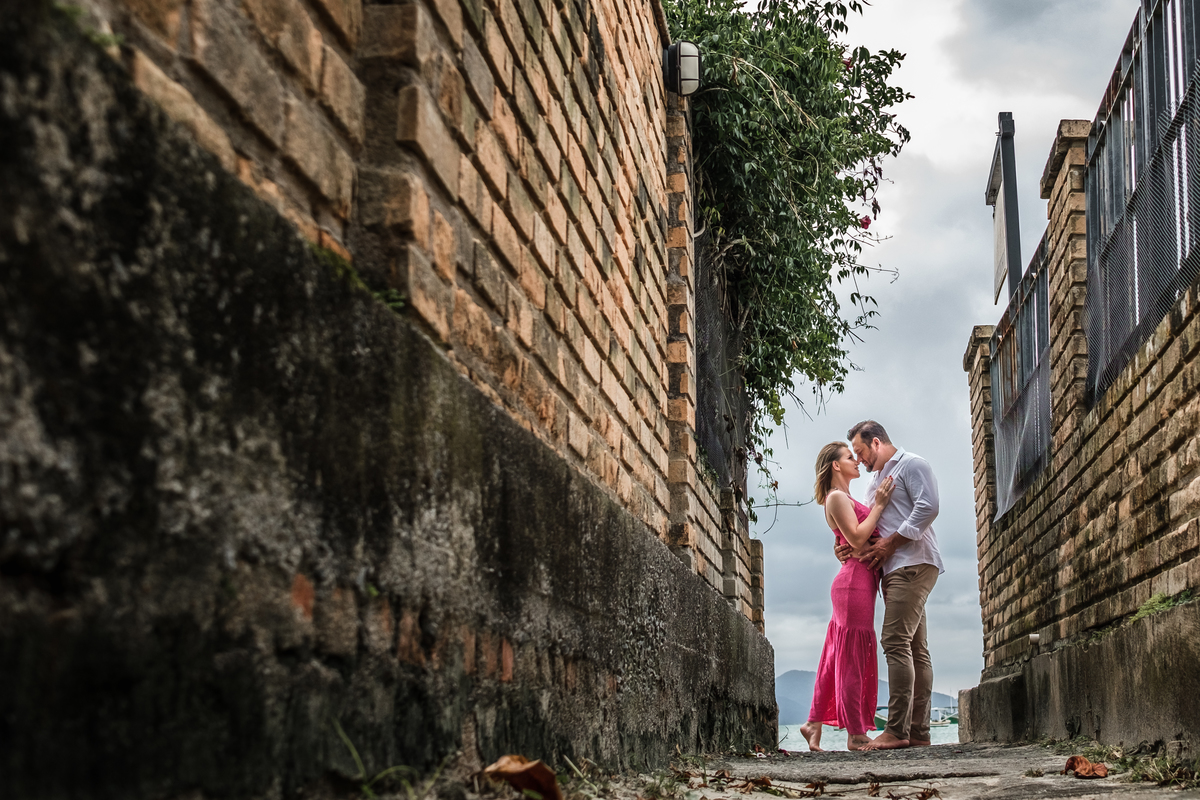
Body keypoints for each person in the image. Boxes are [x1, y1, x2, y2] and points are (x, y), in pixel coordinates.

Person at [840, 420, 944, 751]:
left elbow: (929, 507)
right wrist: (848, 546)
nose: (859, 460)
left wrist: (890, 545)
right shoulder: (874, 481)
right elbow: (874, 526)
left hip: (912, 562)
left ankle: (897, 730)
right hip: (896, 568)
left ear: (876, 442)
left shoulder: (912, 464)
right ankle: (918, 733)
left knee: (894, 641)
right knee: (914, 647)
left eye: (860, 451)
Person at [799, 442, 895, 752]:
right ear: (836, 466)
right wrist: (879, 505)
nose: (856, 461)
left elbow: (848, 537)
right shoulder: (837, 497)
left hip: (857, 580)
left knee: (834, 656)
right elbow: (855, 536)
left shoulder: (844, 497)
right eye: (850, 457)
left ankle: (813, 723)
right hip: (854, 582)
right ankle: (855, 734)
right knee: (851, 659)